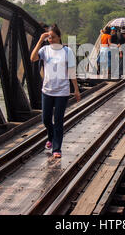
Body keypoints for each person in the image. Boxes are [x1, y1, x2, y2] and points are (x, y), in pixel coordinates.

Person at [31, 24, 81, 159]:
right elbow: (33, 58)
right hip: (47, 90)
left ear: (59, 37)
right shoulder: (45, 49)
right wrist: (40, 40)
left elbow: (71, 71)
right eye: (49, 37)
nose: (50, 40)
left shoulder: (67, 51)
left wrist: (76, 90)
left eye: (53, 37)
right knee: (46, 119)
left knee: (58, 121)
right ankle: (51, 137)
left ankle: (56, 148)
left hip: (62, 92)